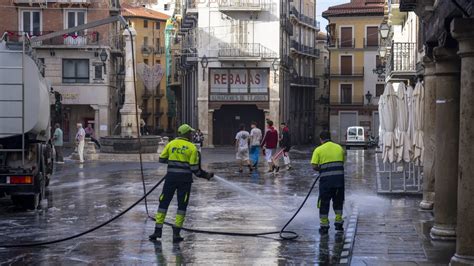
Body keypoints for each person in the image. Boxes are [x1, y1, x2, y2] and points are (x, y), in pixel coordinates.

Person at [149, 124, 214, 243]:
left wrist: (174, 162)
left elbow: (162, 159)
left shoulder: (171, 144)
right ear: (186, 134)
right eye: (190, 133)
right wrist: (206, 175)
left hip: (170, 179)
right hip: (184, 181)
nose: (191, 134)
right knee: (181, 206)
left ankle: (157, 231)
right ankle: (176, 233)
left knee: (164, 203)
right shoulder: (192, 148)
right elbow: (195, 169)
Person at [311, 131, 346, 234]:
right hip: (339, 181)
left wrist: (322, 169)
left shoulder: (318, 149)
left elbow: (314, 165)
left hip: (326, 182)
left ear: (321, 139)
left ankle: (324, 226)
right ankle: (339, 223)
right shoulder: (339, 148)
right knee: (338, 201)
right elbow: (342, 162)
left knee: (324, 203)